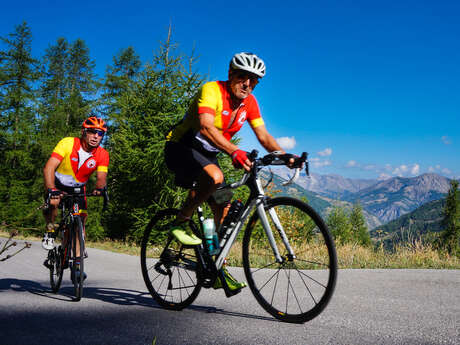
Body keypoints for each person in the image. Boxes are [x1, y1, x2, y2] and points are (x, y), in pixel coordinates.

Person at [164, 52, 295, 293]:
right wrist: (235, 152)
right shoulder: (212, 90)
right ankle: (180, 223)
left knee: (223, 207)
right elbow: (205, 126)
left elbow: (264, 137)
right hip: (181, 146)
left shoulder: (250, 103)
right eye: (243, 77)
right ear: (230, 75)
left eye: (254, 81)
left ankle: (217, 268)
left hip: (208, 154)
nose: (248, 84)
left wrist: (285, 156)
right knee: (216, 177)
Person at [42, 116, 109, 281]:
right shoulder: (67, 143)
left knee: (80, 221)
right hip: (57, 184)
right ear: (83, 132)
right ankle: (50, 231)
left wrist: (100, 189)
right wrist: (51, 189)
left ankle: (77, 264)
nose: (96, 136)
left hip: (78, 190)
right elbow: (49, 167)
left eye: (100, 133)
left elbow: (101, 177)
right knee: (54, 203)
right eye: (92, 132)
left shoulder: (102, 154)